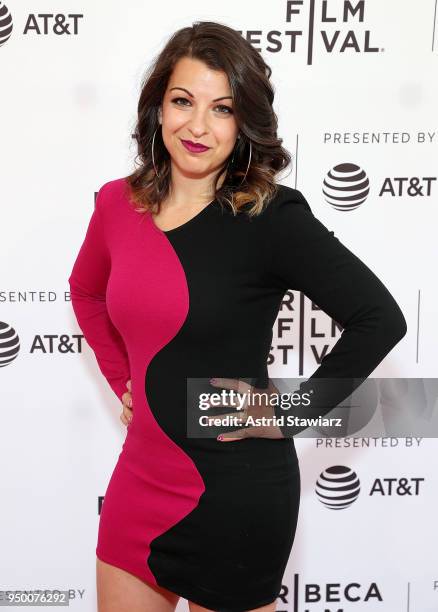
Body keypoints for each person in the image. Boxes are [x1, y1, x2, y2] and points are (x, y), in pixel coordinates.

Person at [67, 21, 407, 612]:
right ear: (158, 108)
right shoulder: (117, 205)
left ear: (243, 121)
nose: (197, 126)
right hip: (140, 479)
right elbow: (86, 291)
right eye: (182, 101)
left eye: (221, 109)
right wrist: (123, 376)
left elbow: (379, 317)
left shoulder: (270, 218)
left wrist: (293, 410)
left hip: (237, 490)